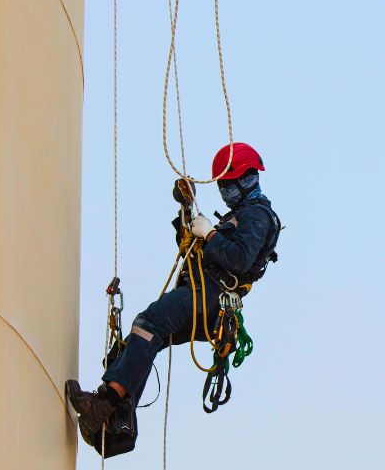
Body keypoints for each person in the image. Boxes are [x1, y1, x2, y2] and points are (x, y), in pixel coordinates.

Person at [66, 142, 281, 435]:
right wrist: (187, 207)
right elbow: (195, 248)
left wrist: (211, 233)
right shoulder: (241, 215)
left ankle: (104, 405)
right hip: (206, 295)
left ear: (244, 181)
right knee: (140, 341)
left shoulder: (256, 215)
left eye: (228, 184)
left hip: (212, 295)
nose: (225, 191)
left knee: (150, 322)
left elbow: (240, 259)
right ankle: (114, 420)